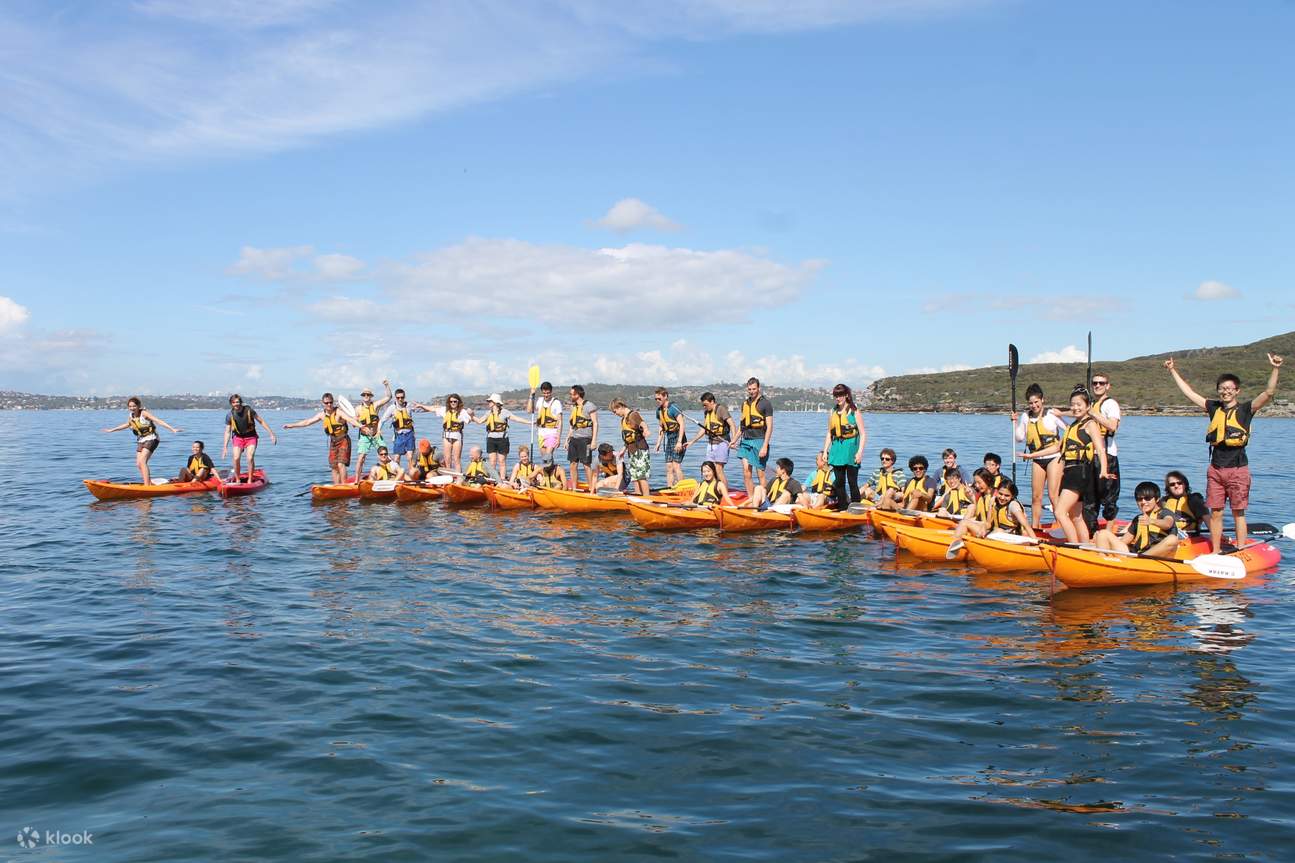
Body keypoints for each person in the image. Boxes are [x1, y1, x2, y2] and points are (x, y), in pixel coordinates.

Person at [1166, 352, 1283, 551]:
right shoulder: (1214, 408)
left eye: (1229, 389)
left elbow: (1268, 393)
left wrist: (1276, 368)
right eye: (1222, 388)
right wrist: (1172, 370)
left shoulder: (1246, 410)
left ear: (1237, 391)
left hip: (1238, 470)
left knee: (1238, 512)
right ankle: (1216, 550)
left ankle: (1240, 548)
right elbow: (1190, 393)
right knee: (1217, 512)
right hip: (1215, 470)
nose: (1225, 392)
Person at [1021, 389, 1110, 544]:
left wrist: (1103, 470)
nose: (1075, 408)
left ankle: (1073, 546)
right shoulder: (1072, 427)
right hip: (1071, 472)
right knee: (1076, 516)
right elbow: (1057, 448)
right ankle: (1084, 546)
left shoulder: (1090, 425)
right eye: (1073, 405)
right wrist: (1031, 455)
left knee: (1061, 512)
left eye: (1079, 405)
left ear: (1088, 406)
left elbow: (1101, 449)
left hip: (1079, 472)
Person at [1013, 383, 1067, 529]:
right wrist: (1015, 422)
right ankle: (1035, 527)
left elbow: (1068, 430)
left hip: (1054, 457)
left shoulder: (1051, 415)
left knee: (1053, 495)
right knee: (1036, 496)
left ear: (1043, 400)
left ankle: (1062, 525)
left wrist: (1060, 445)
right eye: (1031, 403)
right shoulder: (1025, 417)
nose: (1034, 405)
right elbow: (1019, 438)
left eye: (1036, 402)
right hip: (1037, 458)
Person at [100, 396, 181, 484]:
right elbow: (127, 424)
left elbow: (158, 421)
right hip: (141, 440)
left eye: (134, 406)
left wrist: (172, 429)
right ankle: (149, 482)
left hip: (152, 438)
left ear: (138, 406)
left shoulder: (144, 413)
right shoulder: (131, 416)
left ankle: (147, 486)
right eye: (130, 406)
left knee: (142, 461)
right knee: (138, 464)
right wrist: (112, 430)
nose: (132, 408)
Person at [1094, 481, 1178, 559]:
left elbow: (1168, 523)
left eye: (1147, 498)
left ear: (1157, 499)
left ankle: (1142, 558)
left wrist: (1151, 521)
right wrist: (1102, 541)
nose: (1143, 502)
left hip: (1159, 557)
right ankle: (1103, 561)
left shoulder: (1165, 513)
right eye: (1139, 499)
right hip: (1137, 556)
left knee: (1172, 539)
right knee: (1103, 533)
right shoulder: (1138, 519)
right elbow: (1124, 541)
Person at [282, 392, 353, 484]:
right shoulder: (322, 415)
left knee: (340, 464)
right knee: (334, 466)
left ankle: (344, 485)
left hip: (343, 439)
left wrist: (361, 426)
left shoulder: (339, 412)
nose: (329, 404)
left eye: (331, 402)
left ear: (333, 402)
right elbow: (307, 422)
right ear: (323, 403)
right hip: (333, 441)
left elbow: (351, 420)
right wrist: (292, 425)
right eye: (326, 403)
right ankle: (336, 486)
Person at [1085, 372, 1122, 531]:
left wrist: (1094, 414)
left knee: (1109, 496)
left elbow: (1112, 426)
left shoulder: (1110, 404)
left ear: (1108, 385)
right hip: (1090, 455)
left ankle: (1109, 532)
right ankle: (1090, 532)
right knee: (1090, 499)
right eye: (1095, 383)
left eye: (1101, 383)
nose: (1098, 385)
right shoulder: (1091, 404)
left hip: (1107, 455)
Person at [821, 383, 865, 510]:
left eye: (840, 395)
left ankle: (857, 509)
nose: (838, 398)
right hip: (837, 448)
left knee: (852, 482)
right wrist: (825, 451)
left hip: (851, 448)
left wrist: (860, 452)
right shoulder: (832, 411)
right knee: (839, 482)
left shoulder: (854, 411)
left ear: (846, 395)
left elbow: (862, 433)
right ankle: (843, 507)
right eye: (836, 396)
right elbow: (830, 433)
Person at [732, 377, 774, 497]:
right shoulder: (745, 404)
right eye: (749, 389)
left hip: (760, 440)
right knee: (746, 471)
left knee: (760, 473)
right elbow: (742, 426)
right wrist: (734, 440)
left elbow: (770, 426)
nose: (751, 391)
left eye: (754, 389)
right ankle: (751, 498)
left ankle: (764, 499)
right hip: (746, 440)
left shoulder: (766, 404)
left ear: (758, 388)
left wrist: (765, 446)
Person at [473, 393, 530, 481]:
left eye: (490, 401)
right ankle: (492, 479)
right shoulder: (488, 413)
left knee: (502, 461)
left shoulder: (504, 412)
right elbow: (479, 421)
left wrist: (529, 422)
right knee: (492, 461)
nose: (488, 402)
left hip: (502, 439)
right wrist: (471, 416)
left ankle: (502, 479)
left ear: (495, 402)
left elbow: (516, 418)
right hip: (491, 439)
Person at [221, 393, 276, 483]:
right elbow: (227, 432)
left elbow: (261, 421)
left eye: (238, 402)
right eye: (234, 402)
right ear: (231, 404)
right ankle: (237, 479)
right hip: (238, 437)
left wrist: (271, 434)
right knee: (236, 458)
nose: (236, 404)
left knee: (250, 457)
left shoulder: (249, 410)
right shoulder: (229, 415)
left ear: (241, 402)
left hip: (251, 437)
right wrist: (225, 447)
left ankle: (250, 480)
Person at [685, 392, 733, 486]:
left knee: (718, 469)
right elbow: (703, 429)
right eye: (703, 405)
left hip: (722, 442)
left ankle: (724, 492)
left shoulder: (721, 409)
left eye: (705, 405)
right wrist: (692, 441)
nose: (704, 407)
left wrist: (734, 440)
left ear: (712, 402)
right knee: (709, 468)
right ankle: (713, 489)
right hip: (711, 443)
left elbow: (732, 425)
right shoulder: (706, 412)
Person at [380, 387, 432, 473]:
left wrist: (431, 408)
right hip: (399, 435)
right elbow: (382, 420)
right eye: (398, 397)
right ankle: (397, 474)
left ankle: (411, 474)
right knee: (396, 458)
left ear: (404, 397)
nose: (400, 399)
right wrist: (379, 430)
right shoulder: (392, 408)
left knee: (410, 456)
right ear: (395, 398)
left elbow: (421, 410)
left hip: (409, 435)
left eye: (402, 397)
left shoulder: (409, 406)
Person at [352, 382, 392, 485]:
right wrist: (355, 423)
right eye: (364, 395)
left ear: (371, 396)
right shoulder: (358, 409)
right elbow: (354, 423)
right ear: (362, 396)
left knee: (386, 456)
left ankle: (390, 475)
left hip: (376, 435)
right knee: (361, 458)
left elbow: (388, 397)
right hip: (364, 437)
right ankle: (357, 481)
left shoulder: (375, 405)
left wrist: (386, 386)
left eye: (368, 395)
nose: (366, 396)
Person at [610, 398, 651, 496]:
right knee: (634, 475)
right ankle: (638, 493)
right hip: (631, 450)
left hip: (640, 449)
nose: (615, 414)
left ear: (619, 407)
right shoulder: (623, 420)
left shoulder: (633, 415)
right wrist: (623, 450)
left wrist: (646, 430)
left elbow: (643, 423)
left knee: (641, 475)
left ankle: (646, 497)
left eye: (615, 411)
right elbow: (628, 438)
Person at [948, 469, 999, 547]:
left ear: (987, 480)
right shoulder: (980, 495)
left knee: (964, 523)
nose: (977, 486)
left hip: (990, 532)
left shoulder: (994, 497)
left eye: (979, 482)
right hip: (981, 527)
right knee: (966, 517)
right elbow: (977, 513)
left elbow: (989, 524)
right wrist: (970, 496)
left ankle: (951, 544)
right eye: (976, 483)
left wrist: (968, 522)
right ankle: (956, 539)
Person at [428, 393, 473, 475]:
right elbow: (432, 409)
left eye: (455, 401)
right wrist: (420, 406)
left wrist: (471, 414)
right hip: (446, 436)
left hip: (457, 436)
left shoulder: (462, 412)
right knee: (447, 459)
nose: (452, 403)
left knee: (456, 459)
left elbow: (469, 420)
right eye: (451, 401)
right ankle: (449, 476)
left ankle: (458, 477)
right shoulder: (445, 410)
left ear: (458, 402)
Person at [652, 387, 688, 488]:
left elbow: (682, 424)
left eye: (659, 399)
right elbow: (661, 426)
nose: (657, 401)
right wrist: (658, 442)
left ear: (665, 396)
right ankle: (670, 487)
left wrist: (680, 442)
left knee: (676, 465)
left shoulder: (673, 408)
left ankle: (683, 488)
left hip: (678, 437)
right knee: (668, 466)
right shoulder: (658, 411)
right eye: (656, 399)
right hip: (669, 437)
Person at [1163, 470, 1209, 538]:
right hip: (1168, 537)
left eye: (1179, 483)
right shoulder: (1163, 502)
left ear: (1185, 484)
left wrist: (1218, 536)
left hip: (1190, 537)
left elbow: (1208, 519)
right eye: (1172, 484)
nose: (1176, 486)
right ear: (1168, 488)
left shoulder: (1195, 500)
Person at [527, 381, 563, 466]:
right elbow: (528, 410)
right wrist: (531, 395)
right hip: (541, 433)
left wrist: (558, 438)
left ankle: (550, 475)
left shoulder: (556, 403)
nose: (546, 395)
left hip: (552, 433)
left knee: (548, 456)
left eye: (548, 393)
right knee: (544, 457)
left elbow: (560, 421)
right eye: (544, 393)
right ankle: (549, 473)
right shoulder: (540, 401)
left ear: (551, 392)